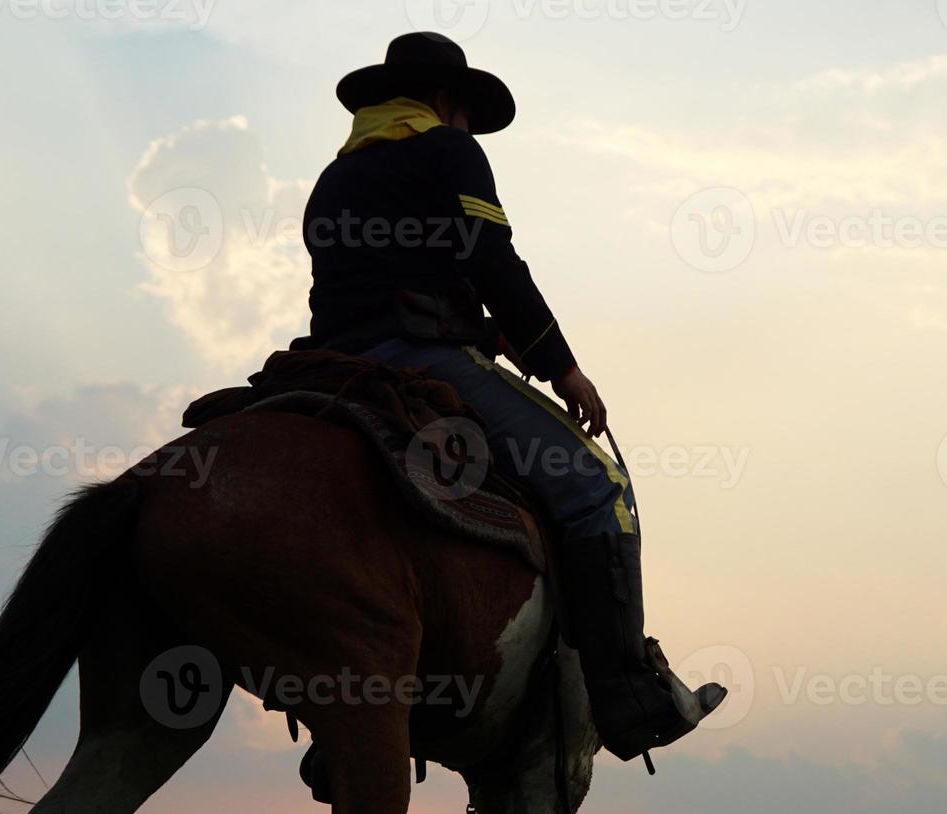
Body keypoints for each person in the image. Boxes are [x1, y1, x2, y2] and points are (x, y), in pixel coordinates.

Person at [291, 32, 724, 763]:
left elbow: (393, 276)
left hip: (330, 365)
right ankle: (629, 696)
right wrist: (562, 366)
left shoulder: (335, 177)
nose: (465, 126)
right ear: (445, 100)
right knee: (596, 486)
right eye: (463, 112)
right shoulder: (447, 150)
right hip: (418, 358)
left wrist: (495, 333)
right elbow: (491, 260)